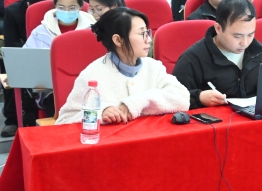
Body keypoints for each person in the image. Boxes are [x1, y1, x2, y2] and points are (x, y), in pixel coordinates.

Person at [56, 8, 190, 124]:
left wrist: (136, 103)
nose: (149, 39)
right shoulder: (92, 75)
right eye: (142, 34)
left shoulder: (154, 67)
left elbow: (182, 99)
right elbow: (65, 120)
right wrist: (101, 112)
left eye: (147, 32)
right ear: (118, 40)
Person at [173, 0, 262, 108]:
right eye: (237, 36)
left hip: (255, 114)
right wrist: (199, 98)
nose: (244, 43)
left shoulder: (258, 51)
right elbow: (174, 98)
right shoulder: (193, 59)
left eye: (250, 35)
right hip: (216, 117)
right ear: (218, 29)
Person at [1, 0, 55, 136]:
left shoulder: (55, 14)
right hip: (26, 51)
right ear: (29, 5)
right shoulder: (13, 11)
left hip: (49, 53)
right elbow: (11, 42)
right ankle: (12, 120)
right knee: (11, 70)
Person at [24, 0, 96, 48]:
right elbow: (26, 55)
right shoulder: (40, 32)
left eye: (72, 8)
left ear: (80, 7)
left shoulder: (93, 31)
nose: (66, 11)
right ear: (55, 6)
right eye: (61, 7)